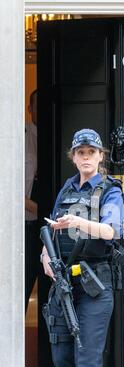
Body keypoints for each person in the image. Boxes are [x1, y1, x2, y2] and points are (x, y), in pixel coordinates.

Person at [40, 129, 124, 367]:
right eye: (80, 152)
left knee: (86, 357)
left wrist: (77, 223)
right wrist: (46, 256)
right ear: (73, 157)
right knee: (62, 354)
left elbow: (110, 230)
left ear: (100, 156)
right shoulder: (67, 188)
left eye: (92, 152)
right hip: (65, 283)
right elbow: (50, 227)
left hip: (94, 285)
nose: (86, 157)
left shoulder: (109, 190)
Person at [25, 89, 39, 313]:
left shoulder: (60, 135)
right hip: (27, 224)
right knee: (24, 284)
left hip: (57, 226)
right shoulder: (20, 136)